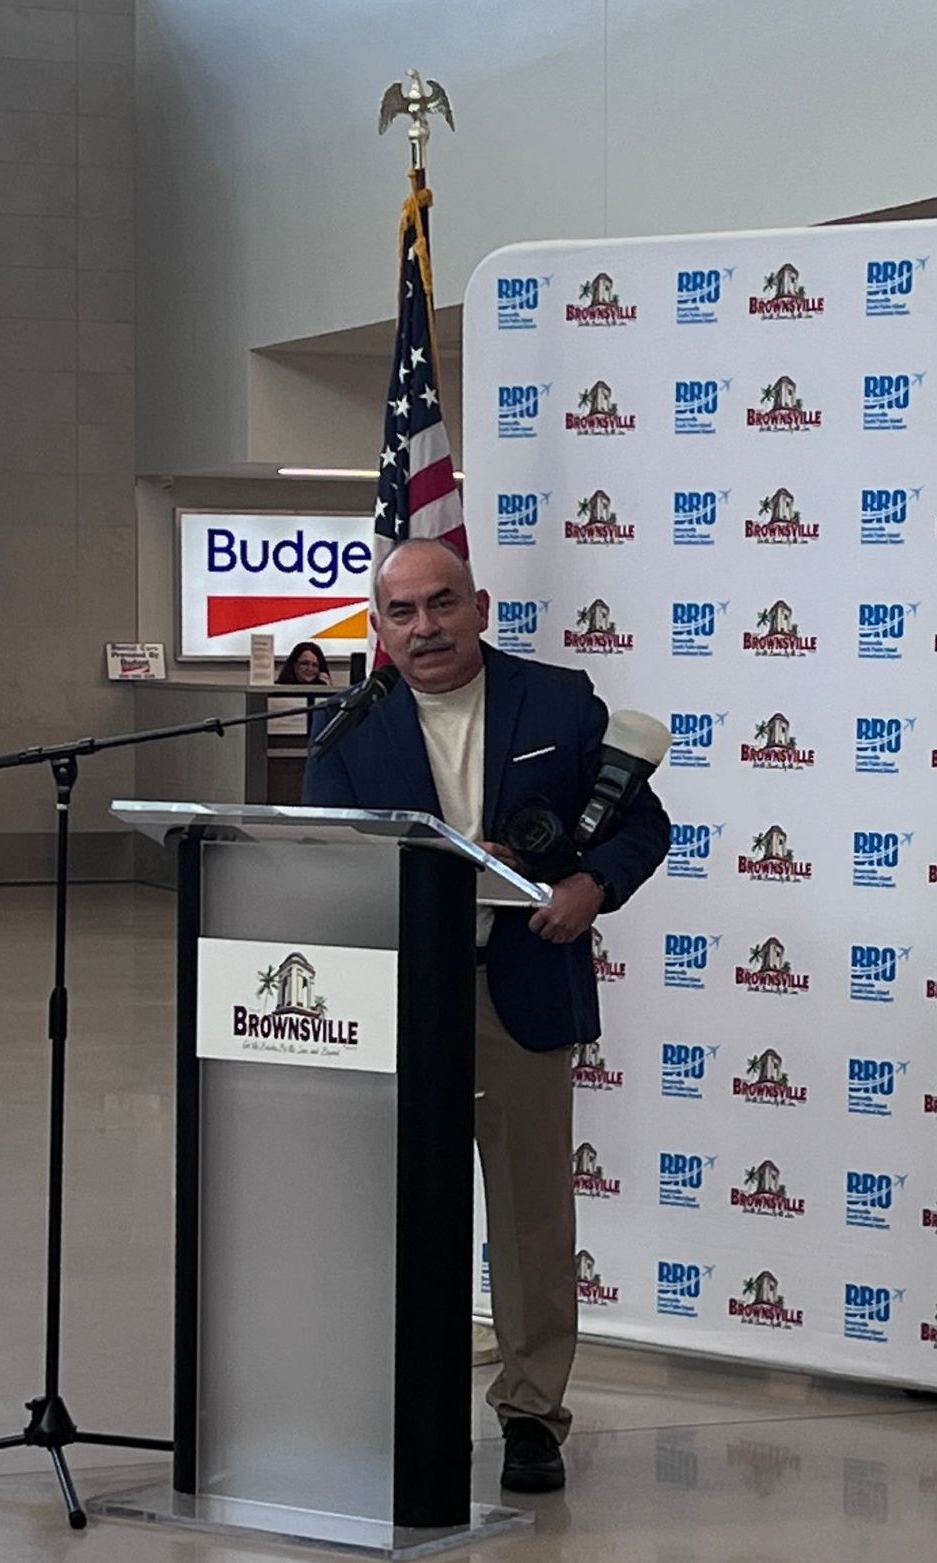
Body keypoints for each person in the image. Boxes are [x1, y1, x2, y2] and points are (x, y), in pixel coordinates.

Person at [302, 537, 669, 1494]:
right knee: (387, 1212)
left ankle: (532, 1414)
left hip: (523, 989)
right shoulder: (348, 728)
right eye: (403, 612)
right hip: (398, 999)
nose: (425, 627)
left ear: (480, 606)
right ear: (379, 629)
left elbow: (645, 822)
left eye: (442, 603)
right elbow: (328, 862)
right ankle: (387, 1396)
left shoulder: (558, 701)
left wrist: (592, 882)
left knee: (530, 1215)